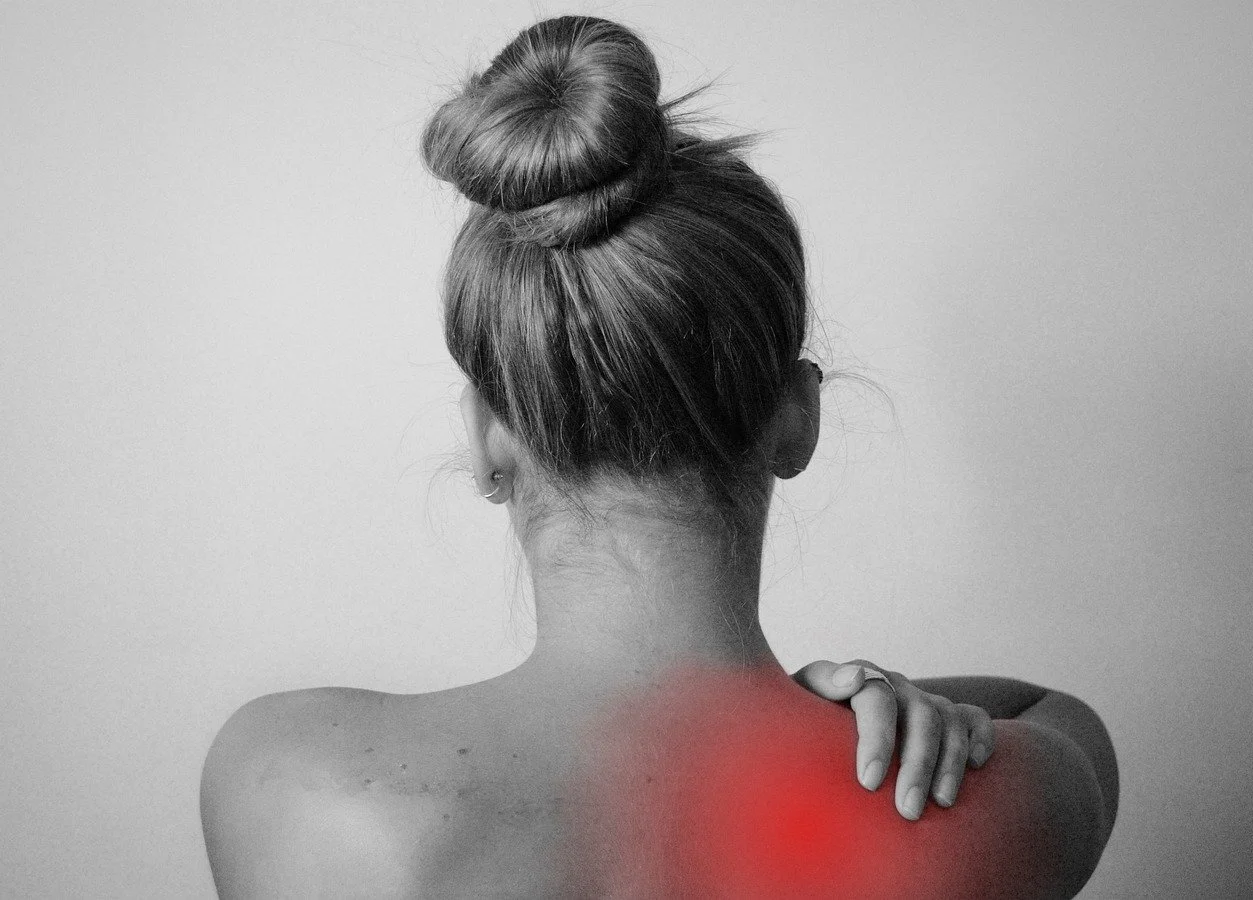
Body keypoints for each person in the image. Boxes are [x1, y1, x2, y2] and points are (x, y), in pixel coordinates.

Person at [200, 15, 1118, 898]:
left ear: (487, 437)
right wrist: (858, 701)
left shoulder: (285, 781)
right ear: (795, 418)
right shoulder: (1000, 804)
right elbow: (1058, 718)